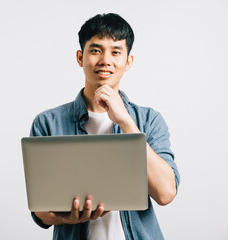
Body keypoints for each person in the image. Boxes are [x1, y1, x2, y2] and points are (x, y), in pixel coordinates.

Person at [29, 13, 180, 240]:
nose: (105, 61)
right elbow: (40, 210)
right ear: (80, 57)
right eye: (95, 50)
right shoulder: (48, 122)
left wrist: (125, 122)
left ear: (128, 61)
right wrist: (65, 217)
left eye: (116, 52)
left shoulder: (149, 120)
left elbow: (166, 193)